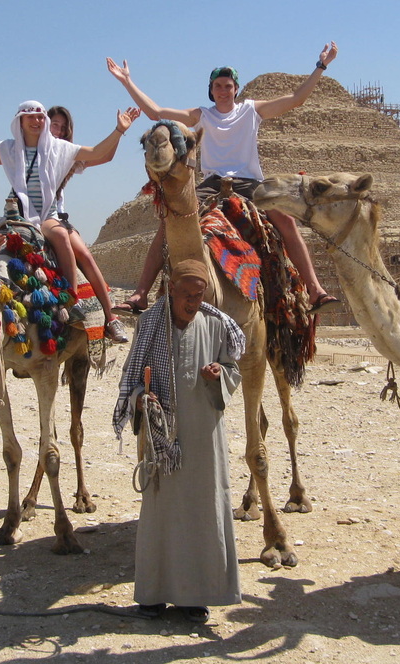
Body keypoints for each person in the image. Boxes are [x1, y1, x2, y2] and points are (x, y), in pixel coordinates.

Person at [106, 45, 340, 314]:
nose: (223, 90)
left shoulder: (251, 110)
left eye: (228, 86)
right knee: (169, 223)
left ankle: (315, 290)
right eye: (218, 86)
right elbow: (156, 113)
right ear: (211, 89)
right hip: (212, 185)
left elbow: (296, 99)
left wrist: (321, 66)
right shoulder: (202, 115)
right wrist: (127, 81)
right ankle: (140, 294)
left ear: (236, 89)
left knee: (286, 221)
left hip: (249, 183)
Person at [0, 98, 139, 344]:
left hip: (47, 217)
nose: (36, 121)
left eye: (40, 116)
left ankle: (75, 301)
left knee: (65, 238)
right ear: (19, 121)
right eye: (30, 116)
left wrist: (119, 130)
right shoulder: (9, 149)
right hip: (15, 217)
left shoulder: (60, 150)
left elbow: (99, 153)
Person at [112, 259, 245, 624]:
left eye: (197, 295)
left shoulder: (216, 325)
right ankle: (153, 595)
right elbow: (132, 378)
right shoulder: (150, 324)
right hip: (162, 441)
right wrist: (141, 398)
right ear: (170, 290)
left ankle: (195, 596)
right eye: (185, 294)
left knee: (203, 507)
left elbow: (233, 371)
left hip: (204, 436)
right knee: (162, 512)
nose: (191, 301)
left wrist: (219, 374)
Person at [45, 105, 130, 344]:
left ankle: (111, 318)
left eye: (62, 128)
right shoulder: (27, 151)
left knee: (85, 255)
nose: (58, 131)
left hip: (54, 217)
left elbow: (104, 156)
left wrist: (120, 131)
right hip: (25, 215)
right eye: (54, 125)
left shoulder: (66, 155)